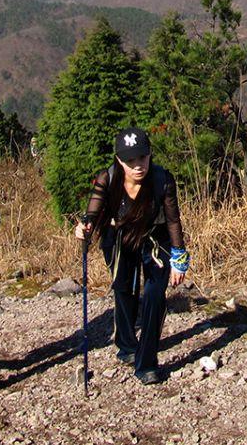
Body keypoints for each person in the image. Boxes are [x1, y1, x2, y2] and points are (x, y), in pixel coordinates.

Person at [74, 127, 190, 385]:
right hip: (119, 239)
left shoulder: (162, 180)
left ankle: (146, 362)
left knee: (154, 296)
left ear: (150, 155)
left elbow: (173, 220)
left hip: (154, 238)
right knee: (124, 289)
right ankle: (126, 344)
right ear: (119, 160)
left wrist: (179, 258)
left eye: (143, 158)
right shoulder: (108, 178)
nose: (138, 166)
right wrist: (85, 227)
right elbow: (91, 213)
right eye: (131, 161)